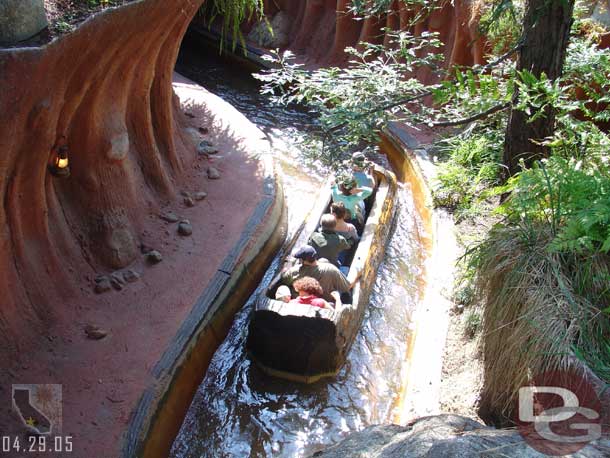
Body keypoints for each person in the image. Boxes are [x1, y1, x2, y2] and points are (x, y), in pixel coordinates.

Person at [281, 245, 359, 302]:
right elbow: (347, 287)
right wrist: (357, 275)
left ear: (302, 260)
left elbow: (284, 281)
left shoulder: (293, 272)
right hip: (327, 301)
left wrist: (286, 269)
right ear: (315, 256)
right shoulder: (330, 268)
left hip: (303, 301)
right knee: (345, 269)